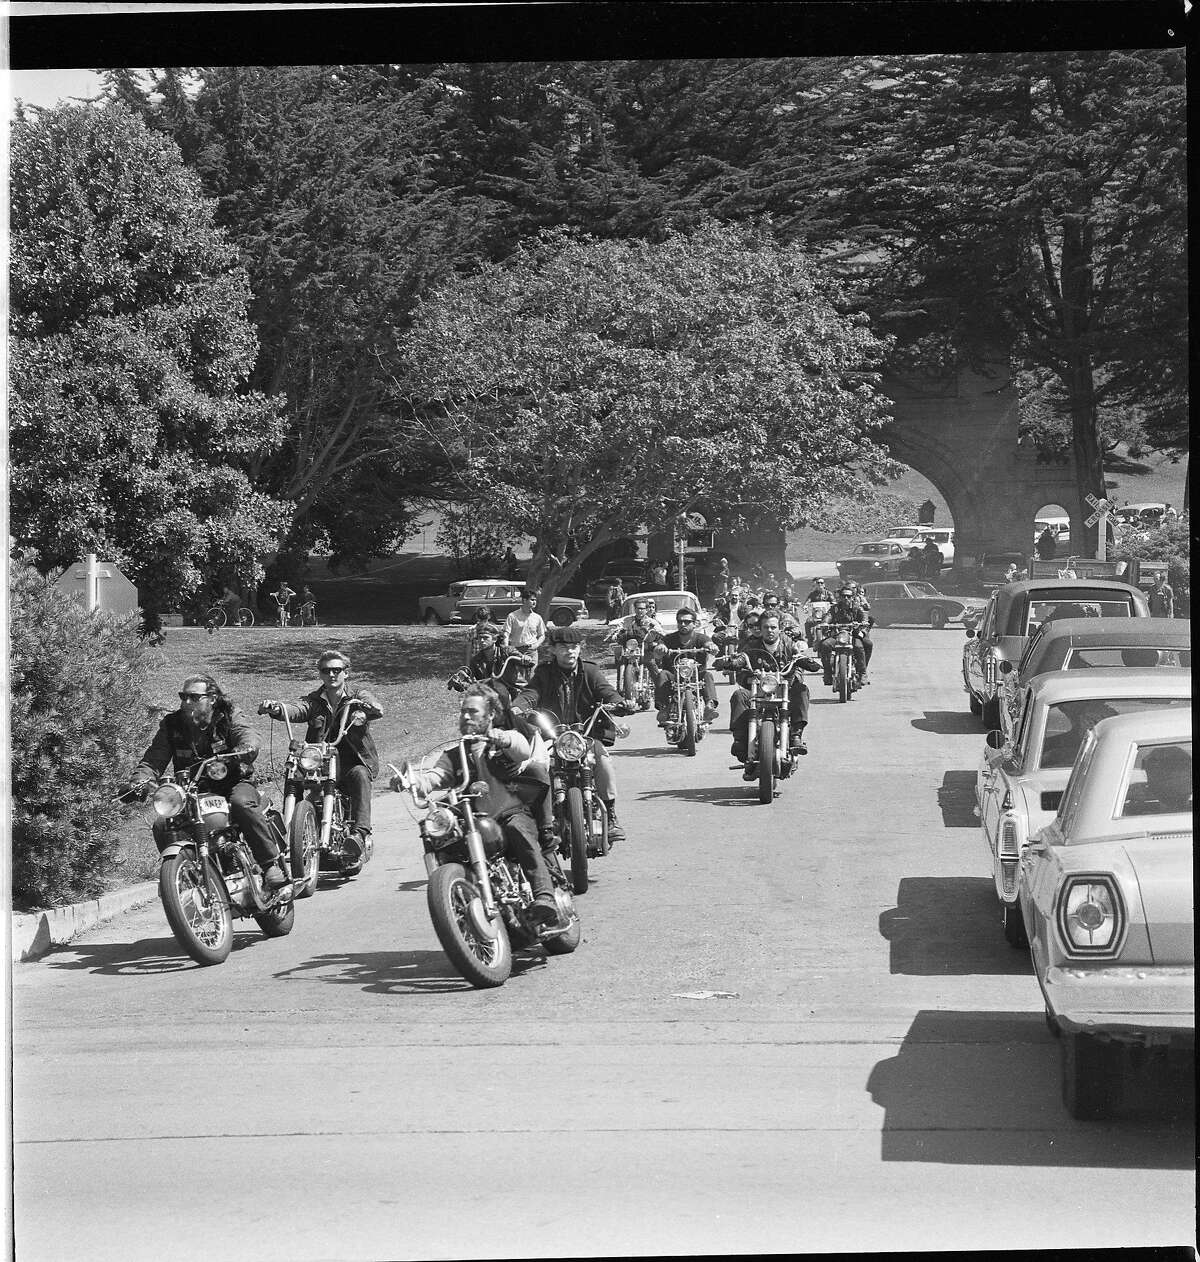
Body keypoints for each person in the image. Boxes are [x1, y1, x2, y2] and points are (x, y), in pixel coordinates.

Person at [400, 686, 560, 925]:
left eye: (473, 712)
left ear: (491, 715)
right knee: (443, 839)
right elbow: (435, 777)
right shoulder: (454, 754)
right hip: (474, 820)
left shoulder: (503, 740)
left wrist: (504, 738)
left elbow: (522, 749)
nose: (465, 716)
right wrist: (411, 782)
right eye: (463, 712)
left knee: (518, 829)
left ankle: (544, 896)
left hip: (509, 812)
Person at [126, 675, 288, 888]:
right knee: (162, 824)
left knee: (241, 804)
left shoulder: (228, 716)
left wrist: (242, 750)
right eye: (183, 697)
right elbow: (153, 759)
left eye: (194, 697)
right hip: (192, 791)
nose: (186, 702)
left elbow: (248, 736)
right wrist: (139, 782)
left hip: (233, 782)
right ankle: (186, 880)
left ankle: (269, 865)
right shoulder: (172, 725)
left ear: (212, 698)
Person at [513, 625, 633, 843]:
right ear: (554, 650)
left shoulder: (590, 671)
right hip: (552, 735)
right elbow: (531, 693)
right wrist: (518, 707)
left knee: (603, 760)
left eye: (574, 647)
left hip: (585, 734)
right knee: (537, 766)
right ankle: (541, 819)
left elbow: (606, 691)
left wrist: (619, 702)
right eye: (564, 647)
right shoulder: (544, 672)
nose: (570, 651)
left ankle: (612, 816)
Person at [260, 651, 383, 860]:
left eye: (337, 670)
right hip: (320, 761)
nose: (332, 674)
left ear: (346, 673)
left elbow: (376, 707)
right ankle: (290, 834)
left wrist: (365, 711)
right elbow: (297, 709)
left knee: (361, 775)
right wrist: (276, 708)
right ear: (321, 675)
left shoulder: (356, 696)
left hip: (352, 762)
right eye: (326, 671)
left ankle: (360, 834)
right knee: (294, 775)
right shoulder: (314, 701)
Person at [725, 610, 823, 764]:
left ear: (779, 628)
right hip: (758, 691)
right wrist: (739, 668)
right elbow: (741, 663)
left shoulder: (789, 643)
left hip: (785, 689)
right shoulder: (751, 645)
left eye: (773, 627)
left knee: (802, 690)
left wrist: (804, 663)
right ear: (761, 629)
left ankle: (796, 734)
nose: (769, 631)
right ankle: (740, 740)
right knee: (739, 695)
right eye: (766, 627)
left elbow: (801, 662)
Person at [653, 607, 720, 726]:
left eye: (687, 622)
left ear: (695, 624)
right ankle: (664, 708)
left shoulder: (701, 638)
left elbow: (709, 644)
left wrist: (712, 647)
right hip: (674, 677)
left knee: (708, 675)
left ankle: (710, 706)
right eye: (680, 621)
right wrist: (660, 648)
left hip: (696, 676)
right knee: (662, 674)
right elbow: (659, 649)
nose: (683, 624)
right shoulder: (668, 639)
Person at [455, 622, 531, 697]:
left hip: (516, 691)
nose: (481, 641)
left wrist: (526, 659)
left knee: (515, 709)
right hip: (493, 696)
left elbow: (527, 662)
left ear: (494, 639)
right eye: (479, 638)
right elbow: (471, 683)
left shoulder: (507, 652)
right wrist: (459, 684)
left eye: (485, 638)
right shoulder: (476, 660)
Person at [818, 585, 870, 685]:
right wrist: (825, 623)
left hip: (853, 634)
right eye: (843, 596)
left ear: (852, 597)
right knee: (825, 645)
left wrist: (862, 624)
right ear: (840, 597)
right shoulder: (835, 608)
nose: (846, 598)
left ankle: (862, 673)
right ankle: (828, 673)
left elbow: (864, 619)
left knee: (859, 647)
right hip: (837, 634)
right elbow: (828, 616)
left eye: (848, 596)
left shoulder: (857, 608)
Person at [502, 590, 548, 680]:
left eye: (535, 600)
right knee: (514, 679)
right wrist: (506, 648)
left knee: (532, 679)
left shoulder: (537, 617)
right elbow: (506, 633)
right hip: (516, 651)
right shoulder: (512, 616)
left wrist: (536, 645)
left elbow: (542, 635)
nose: (534, 602)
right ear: (524, 600)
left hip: (531, 651)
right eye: (532, 600)